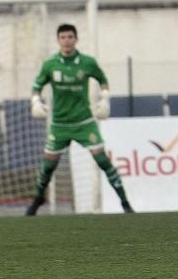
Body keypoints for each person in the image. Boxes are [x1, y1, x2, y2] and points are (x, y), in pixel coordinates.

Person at [26, 23, 133, 215]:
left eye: (70, 37)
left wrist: (105, 99)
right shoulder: (50, 64)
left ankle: (125, 203)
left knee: (102, 160)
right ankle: (38, 198)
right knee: (48, 165)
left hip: (84, 123)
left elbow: (103, 80)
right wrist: (35, 101)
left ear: (76, 39)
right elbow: (37, 85)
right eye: (63, 37)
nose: (67, 41)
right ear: (58, 40)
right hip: (59, 124)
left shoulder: (87, 62)